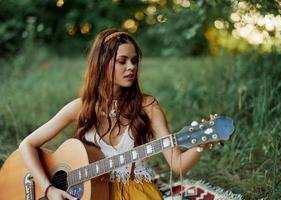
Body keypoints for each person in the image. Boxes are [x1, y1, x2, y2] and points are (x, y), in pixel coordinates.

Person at [19, 28, 212, 200]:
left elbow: (177, 165)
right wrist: (49, 188)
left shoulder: (147, 105)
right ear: (102, 63)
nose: (131, 67)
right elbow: (27, 144)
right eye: (122, 61)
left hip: (135, 192)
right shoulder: (80, 107)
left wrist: (200, 145)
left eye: (134, 61)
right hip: (90, 192)